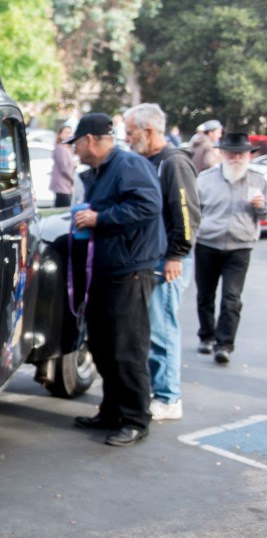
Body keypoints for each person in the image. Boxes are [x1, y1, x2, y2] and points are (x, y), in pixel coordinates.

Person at [69, 112, 166, 447]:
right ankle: (111, 410)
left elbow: (149, 206)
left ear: (91, 140)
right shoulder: (102, 171)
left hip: (130, 270)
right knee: (104, 346)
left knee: (127, 347)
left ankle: (136, 419)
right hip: (107, 269)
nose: (75, 150)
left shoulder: (128, 165)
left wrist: (101, 218)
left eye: (77, 143)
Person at [123, 103, 201, 421]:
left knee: (163, 327)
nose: (127, 139)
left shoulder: (173, 163)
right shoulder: (150, 161)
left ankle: (169, 397)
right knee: (152, 326)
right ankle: (159, 391)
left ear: (149, 131)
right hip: (155, 257)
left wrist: (176, 255)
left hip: (169, 260)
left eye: (130, 133)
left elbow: (186, 213)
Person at [193, 132, 267, 364]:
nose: (236, 157)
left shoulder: (258, 181)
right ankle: (206, 335)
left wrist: (262, 206)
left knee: (231, 298)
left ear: (248, 155)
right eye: (232, 153)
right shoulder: (205, 179)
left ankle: (224, 344)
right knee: (205, 294)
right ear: (223, 154)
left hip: (240, 246)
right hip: (207, 243)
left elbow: (265, 214)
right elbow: (195, 212)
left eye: (241, 153)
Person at [51, 124, 75, 208]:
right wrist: (73, 179)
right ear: (60, 135)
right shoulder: (60, 148)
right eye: (66, 133)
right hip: (62, 185)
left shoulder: (68, 148)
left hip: (67, 185)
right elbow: (64, 168)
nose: (69, 135)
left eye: (70, 133)